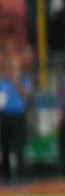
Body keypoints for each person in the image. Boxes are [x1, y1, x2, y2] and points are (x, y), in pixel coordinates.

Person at [0, 52, 30, 181]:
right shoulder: (3, 82)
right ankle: (6, 174)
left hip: (19, 116)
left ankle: (20, 174)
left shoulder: (24, 80)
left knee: (19, 146)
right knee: (5, 146)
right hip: (5, 116)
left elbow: (26, 96)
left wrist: (16, 82)